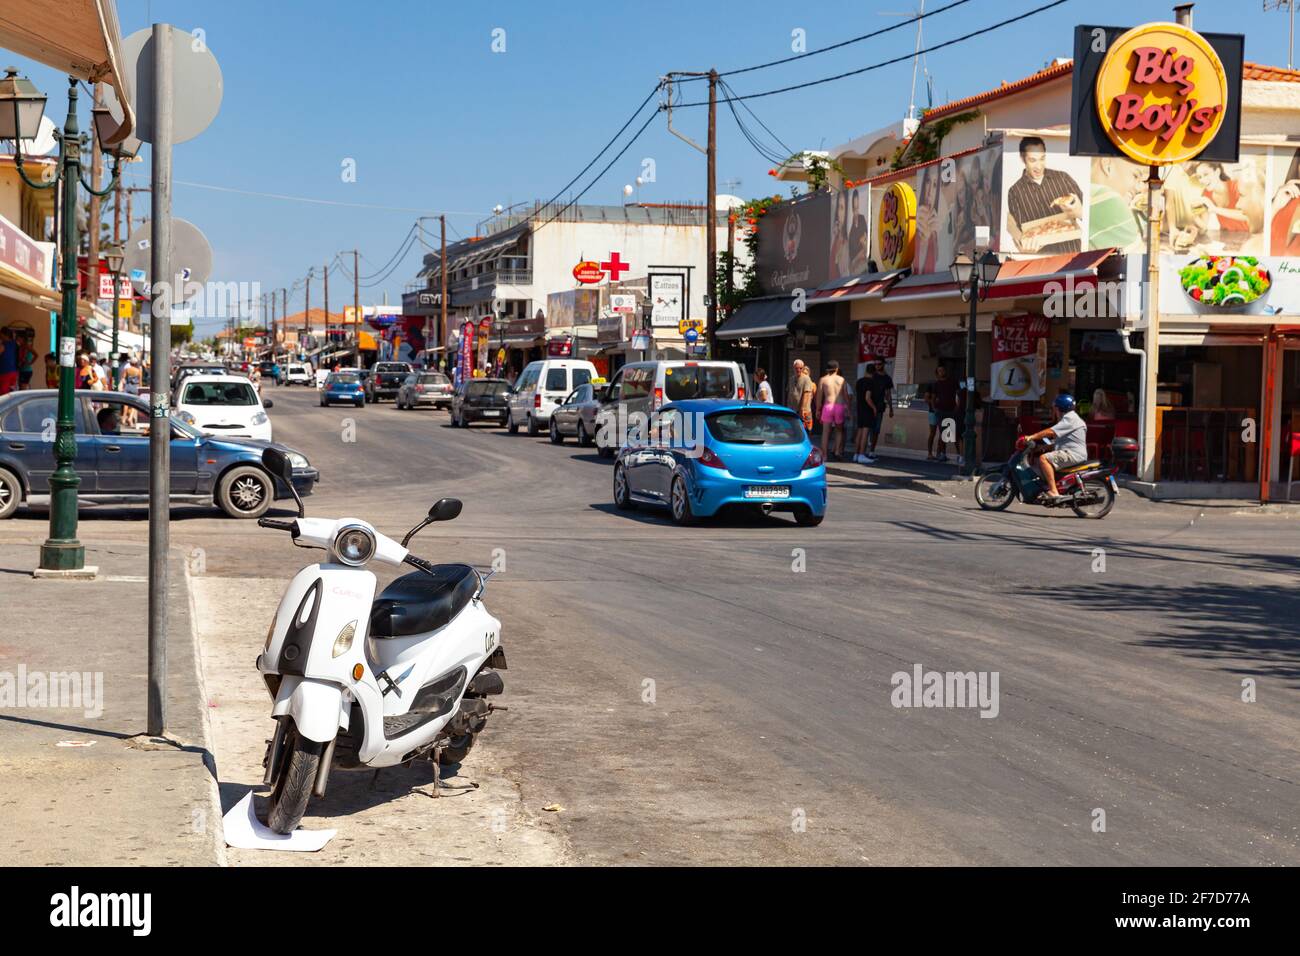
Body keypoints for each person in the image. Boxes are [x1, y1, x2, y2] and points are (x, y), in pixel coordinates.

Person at [1006, 136, 1083, 254]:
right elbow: (1021, 231)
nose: (1039, 166)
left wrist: (1079, 210)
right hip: (1042, 260)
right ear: (1023, 159)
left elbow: (1087, 212)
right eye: (1033, 160)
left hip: (1072, 254)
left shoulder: (1062, 178)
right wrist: (1025, 245)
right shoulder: (1015, 192)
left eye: (1042, 159)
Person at [1022, 393, 1087, 499]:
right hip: (1071, 452)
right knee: (1043, 456)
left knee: (1044, 459)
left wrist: (1032, 436)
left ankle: (1053, 491)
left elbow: (1051, 432)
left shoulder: (1070, 419)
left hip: (1073, 454)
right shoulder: (1070, 418)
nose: (1054, 411)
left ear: (1059, 408)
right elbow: (1060, 441)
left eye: (1054, 408)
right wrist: (1041, 448)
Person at [855, 359, 893, 463]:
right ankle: (861, 454)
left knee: (867, 430)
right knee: (866, 431)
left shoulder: (860, 381)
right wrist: (873, 407)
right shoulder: (871, 380)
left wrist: (890, 408)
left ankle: (860, 453)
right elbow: (867, 397)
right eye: (875, 364)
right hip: (869, 408)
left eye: (879, 364)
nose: (877, 366)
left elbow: (887, 394)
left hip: (866, 407)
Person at [814, 360, 849, 461]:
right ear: (837, 369)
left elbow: (819, 397)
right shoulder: (841, 379)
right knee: (839, 430)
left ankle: (824, 455)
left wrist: (817, 410)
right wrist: (849, 409)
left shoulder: (823, 379)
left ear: (827, 369)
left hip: (828, 406)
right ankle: (837, 451)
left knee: (826, 432)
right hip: (839, 406)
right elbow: (846, 395)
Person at [927, 365, 959, 461]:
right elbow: (932, 398)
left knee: (951, 433)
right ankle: (940, 454)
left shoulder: (953, 382)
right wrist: (934, 409)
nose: (942, 372)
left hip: (951, 410)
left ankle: (957, 454)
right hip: (940, 411)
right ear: (937, 374)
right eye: (939, 371)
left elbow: (958, 395)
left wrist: (957, 407)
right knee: (941, 432)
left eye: (943, 370)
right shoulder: (936, 384)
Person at [788, 359, 814, 432]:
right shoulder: (791, 379)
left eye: (800, 368)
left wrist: (802, 409)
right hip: (793, 409)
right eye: (796, 368)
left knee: (805, 431)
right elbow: (790, 393)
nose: (798, 370)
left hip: (804, 411)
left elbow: (807, 394)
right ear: (793, 368)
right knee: (794, 431)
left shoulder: (806, 379)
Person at [0, 329, 18, 396]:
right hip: (13, 372)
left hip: (5, 372)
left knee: (3, 395)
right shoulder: (13, 343)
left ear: (4, 335)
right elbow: (14, 336)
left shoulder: (3, 345)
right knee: (11, 393)